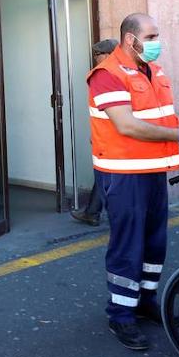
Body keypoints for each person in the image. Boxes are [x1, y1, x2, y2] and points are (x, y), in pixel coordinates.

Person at [89, 13, 179, 351]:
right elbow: (128, 126)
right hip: (123, 176)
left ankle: (145, 299)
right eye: (151, 37)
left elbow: (165, 114)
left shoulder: (154, 71)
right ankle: (121, 314)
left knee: (154, 243)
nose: (156, 42)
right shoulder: (106, 75)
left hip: (152, 173)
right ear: (130, 40)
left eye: (157, 36)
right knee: (127, 246)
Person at [70, 39, 120, 226]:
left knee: (107, 177)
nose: (95, 59)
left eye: (97, 55)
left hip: (112, 140)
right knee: (104, 176)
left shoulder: (106, 75)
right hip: (109, 138)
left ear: (108, 54)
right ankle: (92, 212)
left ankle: (96, 213)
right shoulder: (123, 72)